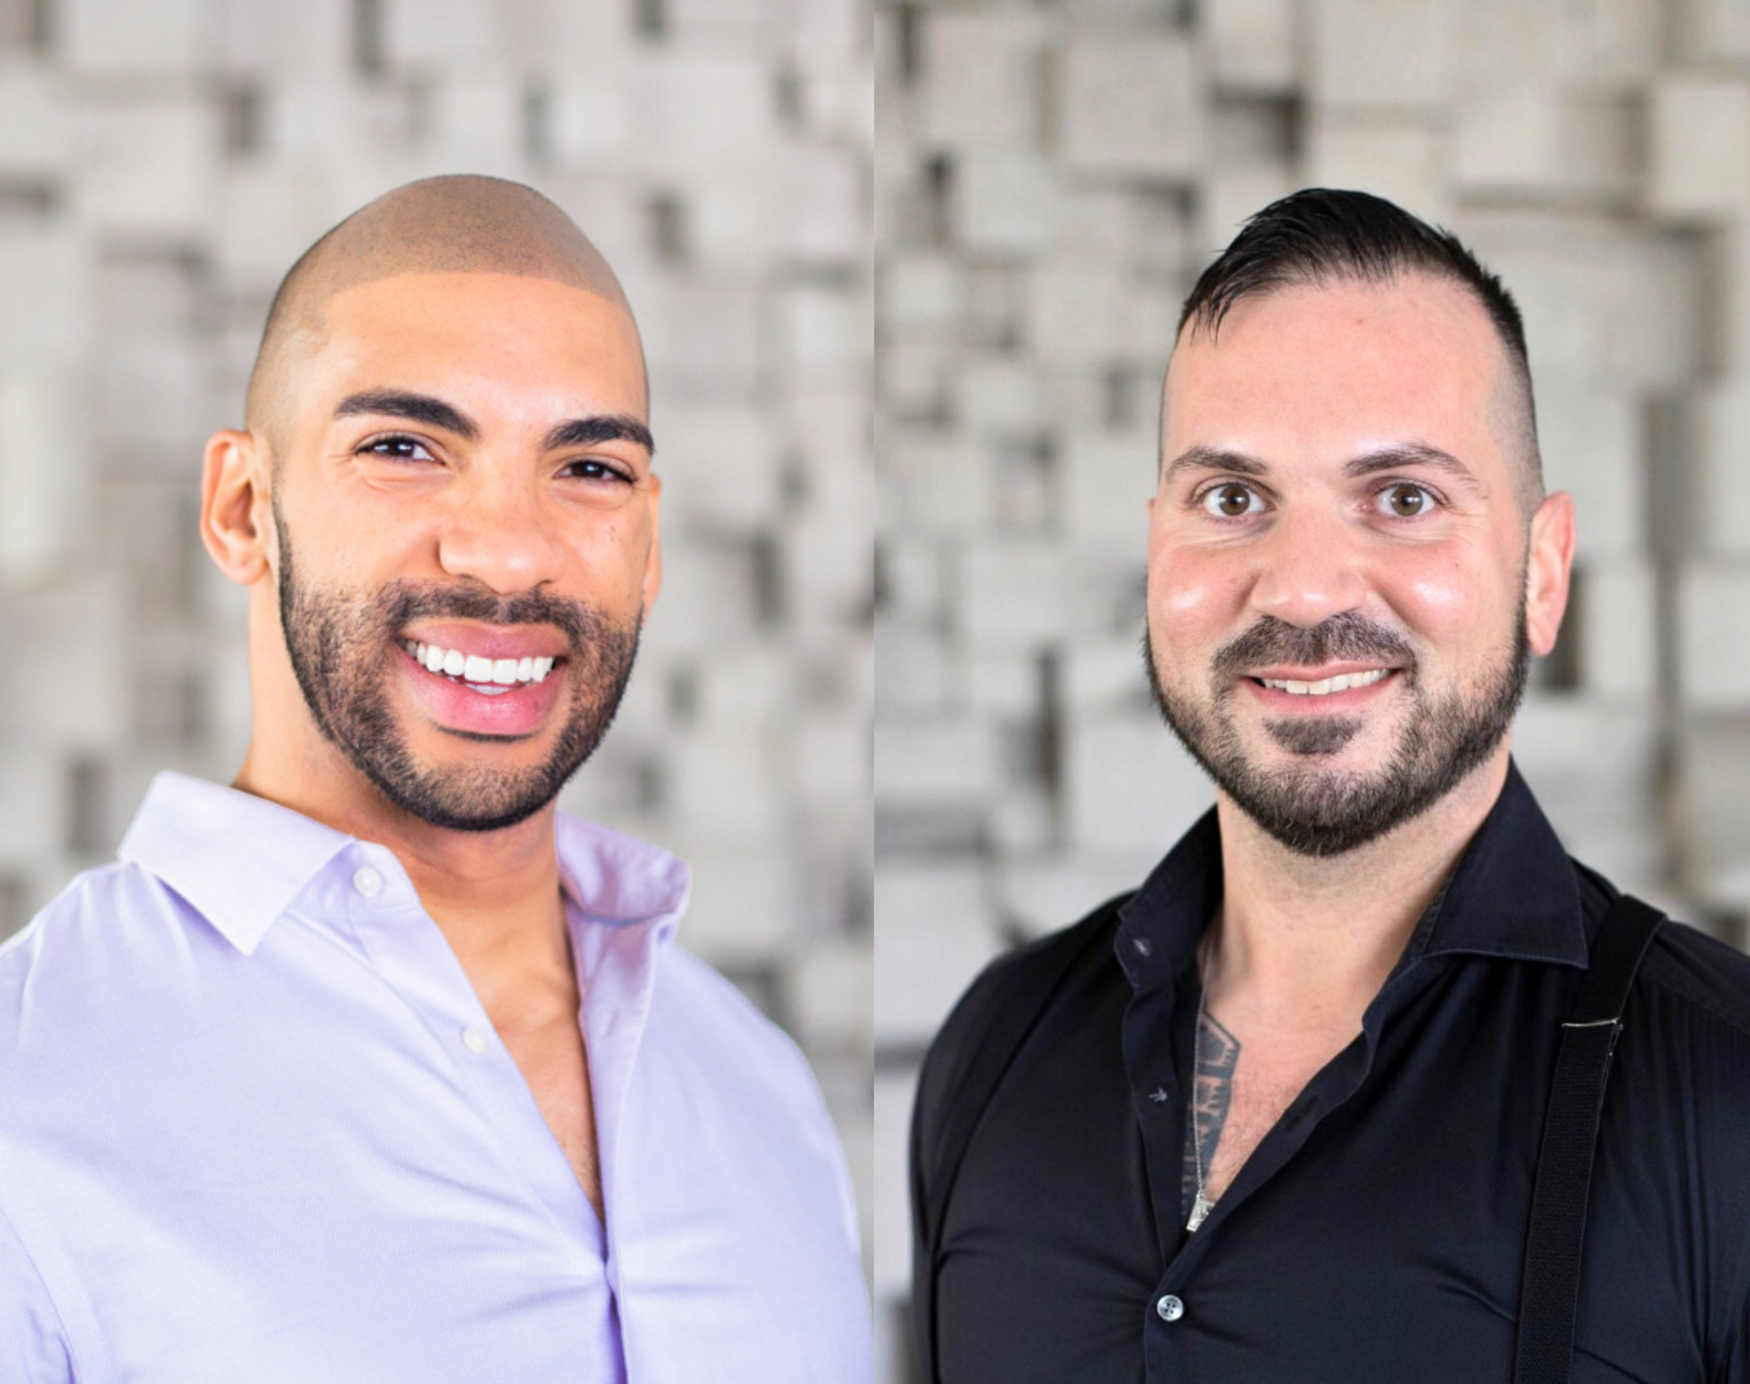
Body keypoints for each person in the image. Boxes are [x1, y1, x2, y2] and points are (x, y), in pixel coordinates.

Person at [0, 176, 872, 1383]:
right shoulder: (29, 1082)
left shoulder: (759, 1084)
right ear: (244, 507)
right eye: (404, 447)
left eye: (591, 469)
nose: (508, 549)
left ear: (651, 540)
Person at [910, 189, 1750, 1383]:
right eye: (1232, 499)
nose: (1301, 590)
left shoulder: (1721, 1096)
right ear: (1157, 554)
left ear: (1542, 571)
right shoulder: (993, 1050)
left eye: (1403, 498)